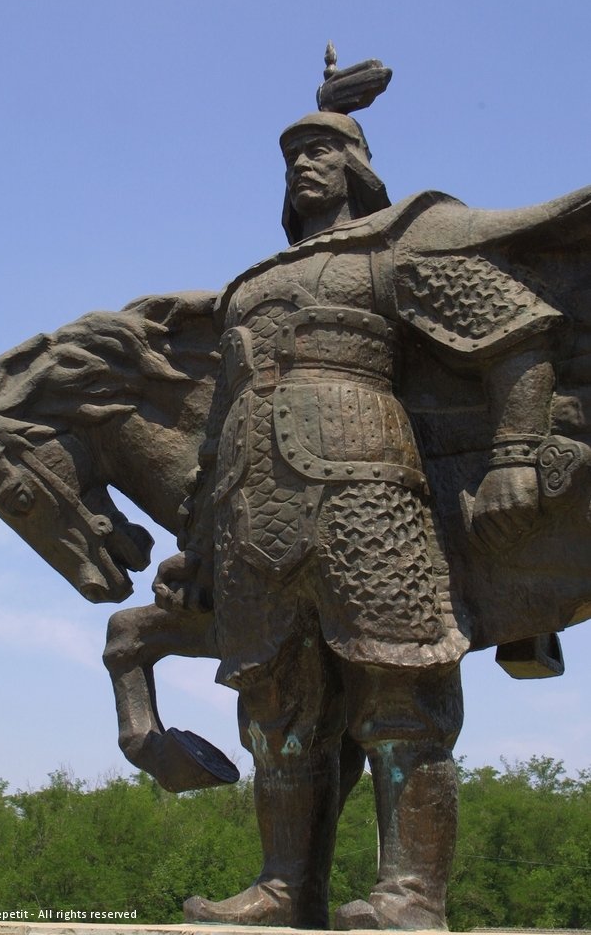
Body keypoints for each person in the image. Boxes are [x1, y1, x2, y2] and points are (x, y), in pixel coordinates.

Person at [154, 109, 559, 929]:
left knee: (400, 694)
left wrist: (515, 455)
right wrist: (194, 546)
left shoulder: (395, 245)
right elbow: (213, 429)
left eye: (321, 149)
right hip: (250, 506)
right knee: (275, 709)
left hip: (369, 491)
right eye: (291, 155)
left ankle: (409, 896)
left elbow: (515, 335)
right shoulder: (248, 287)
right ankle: (283, 889)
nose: (302, 164)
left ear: (358, 165)